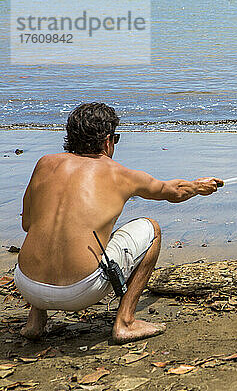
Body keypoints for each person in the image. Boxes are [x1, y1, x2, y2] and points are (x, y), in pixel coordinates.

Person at [15, 102, 223, 344]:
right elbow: (173, 191)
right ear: (107, 141)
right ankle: (125, 322)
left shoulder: (44, 163)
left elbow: (27, 223)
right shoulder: (120, 174)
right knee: (151, 229)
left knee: (47, 229)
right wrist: (198, 186)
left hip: (27, 285)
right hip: (79, 291)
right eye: (116, 138)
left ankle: (35, 321)